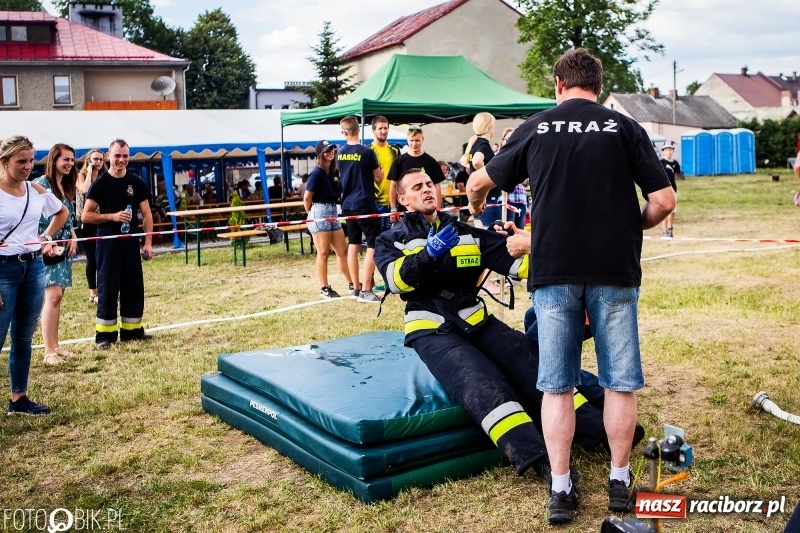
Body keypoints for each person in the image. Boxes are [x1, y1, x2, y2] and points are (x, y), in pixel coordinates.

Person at [467, 48, 675, 524]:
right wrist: (631, 225)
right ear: (598, 87)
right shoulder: (625, 128)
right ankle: (620, 482)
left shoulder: (536, 127)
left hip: (555, 270)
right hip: (614, 270)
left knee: (556, 386)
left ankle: (560, 489)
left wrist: (475, 201)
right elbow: (664, 201)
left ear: (558, 85)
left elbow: (484, 180)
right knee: (620, 381)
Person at [374, 169, 611, 486]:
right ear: (403, 199)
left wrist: (556, 260)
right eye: (417, 187)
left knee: (530, 361)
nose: (427, 189)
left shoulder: (465, 232)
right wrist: (428, 254)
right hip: (430, 327)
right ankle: (537, 457)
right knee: (480, 382)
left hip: (474, 318)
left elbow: (514, 262)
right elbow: (396, 281)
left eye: (430, 184)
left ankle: (600, 431)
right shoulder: (390, 240)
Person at [1, 135, 68, 415]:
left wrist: (45, 237)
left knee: (23, 337)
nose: (28, 166)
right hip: (2, 271)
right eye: (21, 161)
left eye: (31, 160)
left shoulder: (36, 190)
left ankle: (19, 399)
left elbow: (62, 212)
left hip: (33, 269)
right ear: (4, 162)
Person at [82, 139, 154, 349]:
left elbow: (147, 214)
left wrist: (148, 243)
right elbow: (85, 216)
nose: (121, 160)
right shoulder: (100, 184)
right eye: (117, 156)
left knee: (133, 286)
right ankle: (105, 336)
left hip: (131, 244)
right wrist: (112, 217)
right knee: (107, 287)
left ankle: (133, 332)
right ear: (108, 156)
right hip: (107, 244)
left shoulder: (137, 182)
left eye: (125, 156)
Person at [33, 144, 79, 366]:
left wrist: (73, 236)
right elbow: (31, 218)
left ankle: (56, 344)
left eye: (72, 160)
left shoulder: (66, 186)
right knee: (52, 296)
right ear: (54, 160)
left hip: (62, 247)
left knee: (58, 295)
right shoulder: (41, 185)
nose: (70, 163)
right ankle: (48, 350)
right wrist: (44, 240)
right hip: (46, 247)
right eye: (66, 159)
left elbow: (67, 218)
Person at [337, 115, 383, 303]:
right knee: (372, 244)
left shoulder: (340, 153)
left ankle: (356, 288)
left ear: (345, 132)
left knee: (354, 245)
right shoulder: (367, 152)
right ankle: (366, 289)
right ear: (358, 129)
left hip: (347, 204)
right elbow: (378, 177)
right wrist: (375, 175)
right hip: (365, 203)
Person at [304, 140, 353, 299]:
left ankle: (352, 283)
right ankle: (324, 287)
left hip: (333, 211)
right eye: (327, 151)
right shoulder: (317, 172)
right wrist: (311, 215)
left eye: (332, 150)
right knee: (323, 252)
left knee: (342, 251)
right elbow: (307, 198)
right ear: (320, 154)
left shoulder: (333, 172)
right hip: (319, 211)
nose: (331, 153)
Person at [387, 126, 446, 218]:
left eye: (417, 140)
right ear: (407, 140)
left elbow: (437, 187)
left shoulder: (431, 162)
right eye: (411, 140)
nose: (414, 143)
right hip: (404, 210)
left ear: (422, 139)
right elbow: (393, 186)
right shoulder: (398, 161)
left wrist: (437, 209)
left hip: (426, 211)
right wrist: (393, 209)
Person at [76, 148, 105, 304]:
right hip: (86, 222)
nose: (98, 162)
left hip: (102, 221)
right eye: (95, 159)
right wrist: (88, 172)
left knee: (103, 258)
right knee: (92, 259)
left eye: (101, 159)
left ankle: (102, 289)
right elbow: (85, 189)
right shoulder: (80, 176)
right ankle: (93, 292)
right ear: (88, 160)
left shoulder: (104, 177)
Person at [460, 112, 498, 228]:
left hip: (480, 197)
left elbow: (468, 162)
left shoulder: (474, 143)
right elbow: (477, 161)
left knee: (482, 234)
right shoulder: (483, 144)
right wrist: (486, 175)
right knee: (492, 233)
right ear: (490, 126)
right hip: (487, 198)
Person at [369, 116, 399, 233]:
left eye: (385, 128)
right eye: (380, 128)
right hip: (375, 203)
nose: (383, 131)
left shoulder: (395, 150)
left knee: (392, 239)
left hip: (394, 203)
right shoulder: (368, 151)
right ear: (373, 131)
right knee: (376, 239)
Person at [500, 128, 528, 230]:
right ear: (502, 140)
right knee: (508, 231)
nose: (510, 140)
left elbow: (525, 180)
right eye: (507, 138)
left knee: (520, 231)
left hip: (520, 199)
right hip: (507, 200)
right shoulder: (498, 156)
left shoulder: (522, 156)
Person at [659, 140, 681, 237]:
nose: (669, 152)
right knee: (664, 211)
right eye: (667, 150)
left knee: (673, 211)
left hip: (673, 190)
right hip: (663, 190)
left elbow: (675, 176)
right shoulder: (660, 163)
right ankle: (664, 231)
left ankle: (670, 228)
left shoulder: (675, 163)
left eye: (670, 149)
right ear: (663, 151)